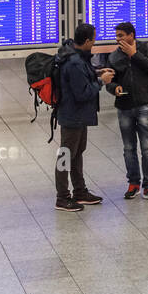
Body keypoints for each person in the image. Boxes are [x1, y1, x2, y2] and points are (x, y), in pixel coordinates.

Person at [53, 23, 113, 212]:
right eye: (93, 40)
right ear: (87, 41)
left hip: (77, 115)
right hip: (73, 116)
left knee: (76, 153)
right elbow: (83, 93)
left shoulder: (76, 56)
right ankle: (62, 197)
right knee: (65, 155)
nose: (94, 44)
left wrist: (96, 73)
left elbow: (81, 78)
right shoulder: (75, 62)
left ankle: (80, 191)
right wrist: (101, 82)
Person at [107, 21, 148, 202]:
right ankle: (133, 182)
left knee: (147, 148)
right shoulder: (114, 56)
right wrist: (114, 88)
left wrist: (134, 55)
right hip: (124, 106)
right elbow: (110, 80)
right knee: (128, 148)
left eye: (121, 35)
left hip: (144, 104)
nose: (118, 39)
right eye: (117, 36)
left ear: (131, 35)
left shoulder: (146, 49)